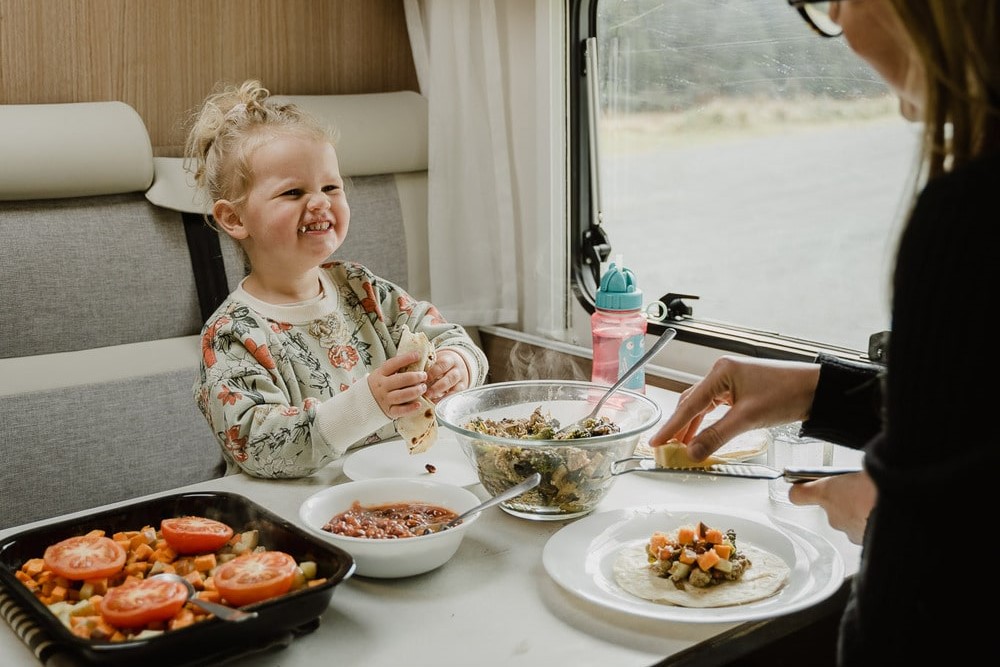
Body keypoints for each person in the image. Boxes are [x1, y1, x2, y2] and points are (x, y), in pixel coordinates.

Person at [650, 1, 999, 663]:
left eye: (829, 1)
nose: (835, 18)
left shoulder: (970, 223)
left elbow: (911, 626)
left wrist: (893, 521)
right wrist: (816, 391)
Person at [185, 80, 488, 479]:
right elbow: (257, 445)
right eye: (293, 192)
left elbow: (446, 336)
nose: (320, 202)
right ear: (235, 218)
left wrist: (457, 364)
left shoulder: (363, 290)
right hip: (295, 507)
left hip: (396, 491)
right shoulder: (231, 334)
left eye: (331, 186)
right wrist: (368, 405)